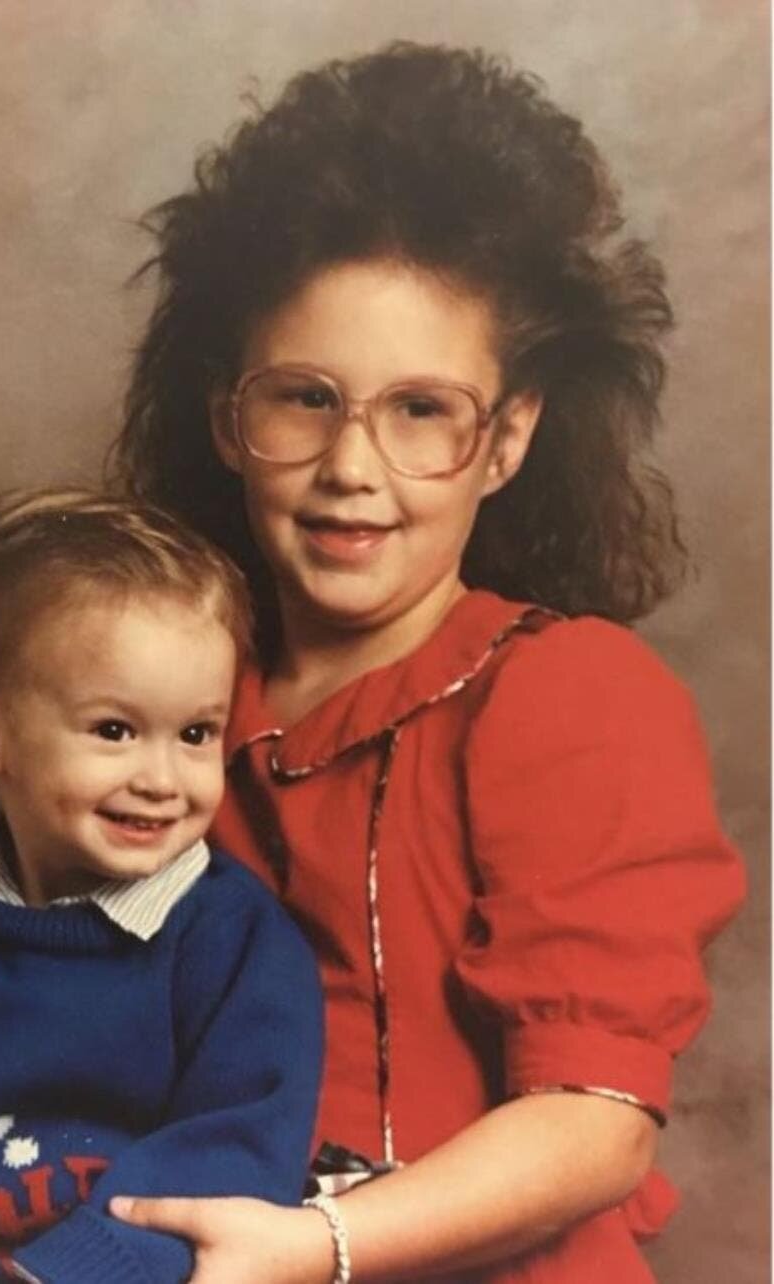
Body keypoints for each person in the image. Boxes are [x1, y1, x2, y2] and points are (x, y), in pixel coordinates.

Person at [107, 40, 746, 1284]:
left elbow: (595, 1121)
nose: (355, 466)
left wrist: (317, 1244)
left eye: (420, 410)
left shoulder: (571, 697)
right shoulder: (168, 696)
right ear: (227, 420)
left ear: (506, 441)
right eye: (306, 398)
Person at [0, 489, 324, 1283]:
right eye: (114, 731)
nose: (162, 779)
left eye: (196, 734)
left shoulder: (234, 940)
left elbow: (232, 1158)